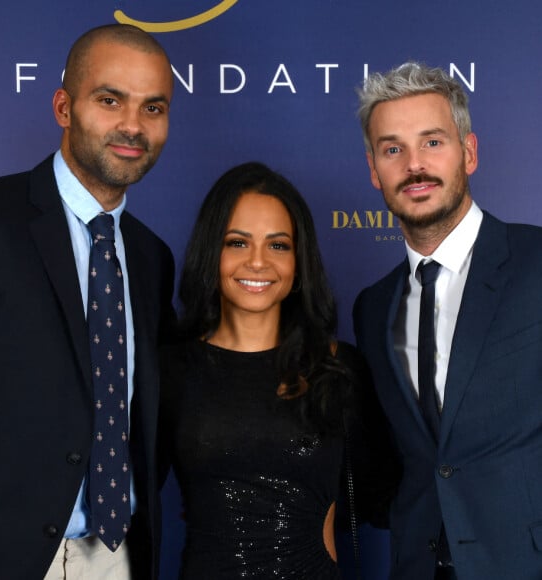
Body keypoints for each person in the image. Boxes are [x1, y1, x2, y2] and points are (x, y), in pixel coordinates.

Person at [0, 24, 175, 580]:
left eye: (153, 108)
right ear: (64, 106)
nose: (133, 125)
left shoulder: (152, 257)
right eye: (110, 100)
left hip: (116, 557)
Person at [159, 162, 399, 579]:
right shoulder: (172, 370)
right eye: (237, 242)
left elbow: (378, 494)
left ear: (299, 261)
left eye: (278, 245)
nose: (257, 262)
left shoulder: (338, 368)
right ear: (210, 252)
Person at [353, 61, 542, 580]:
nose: (414, 165)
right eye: (393, 149)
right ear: (374, 169)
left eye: (432, 142)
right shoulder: (373, 307)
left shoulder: (536, 261)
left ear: (470, 152)